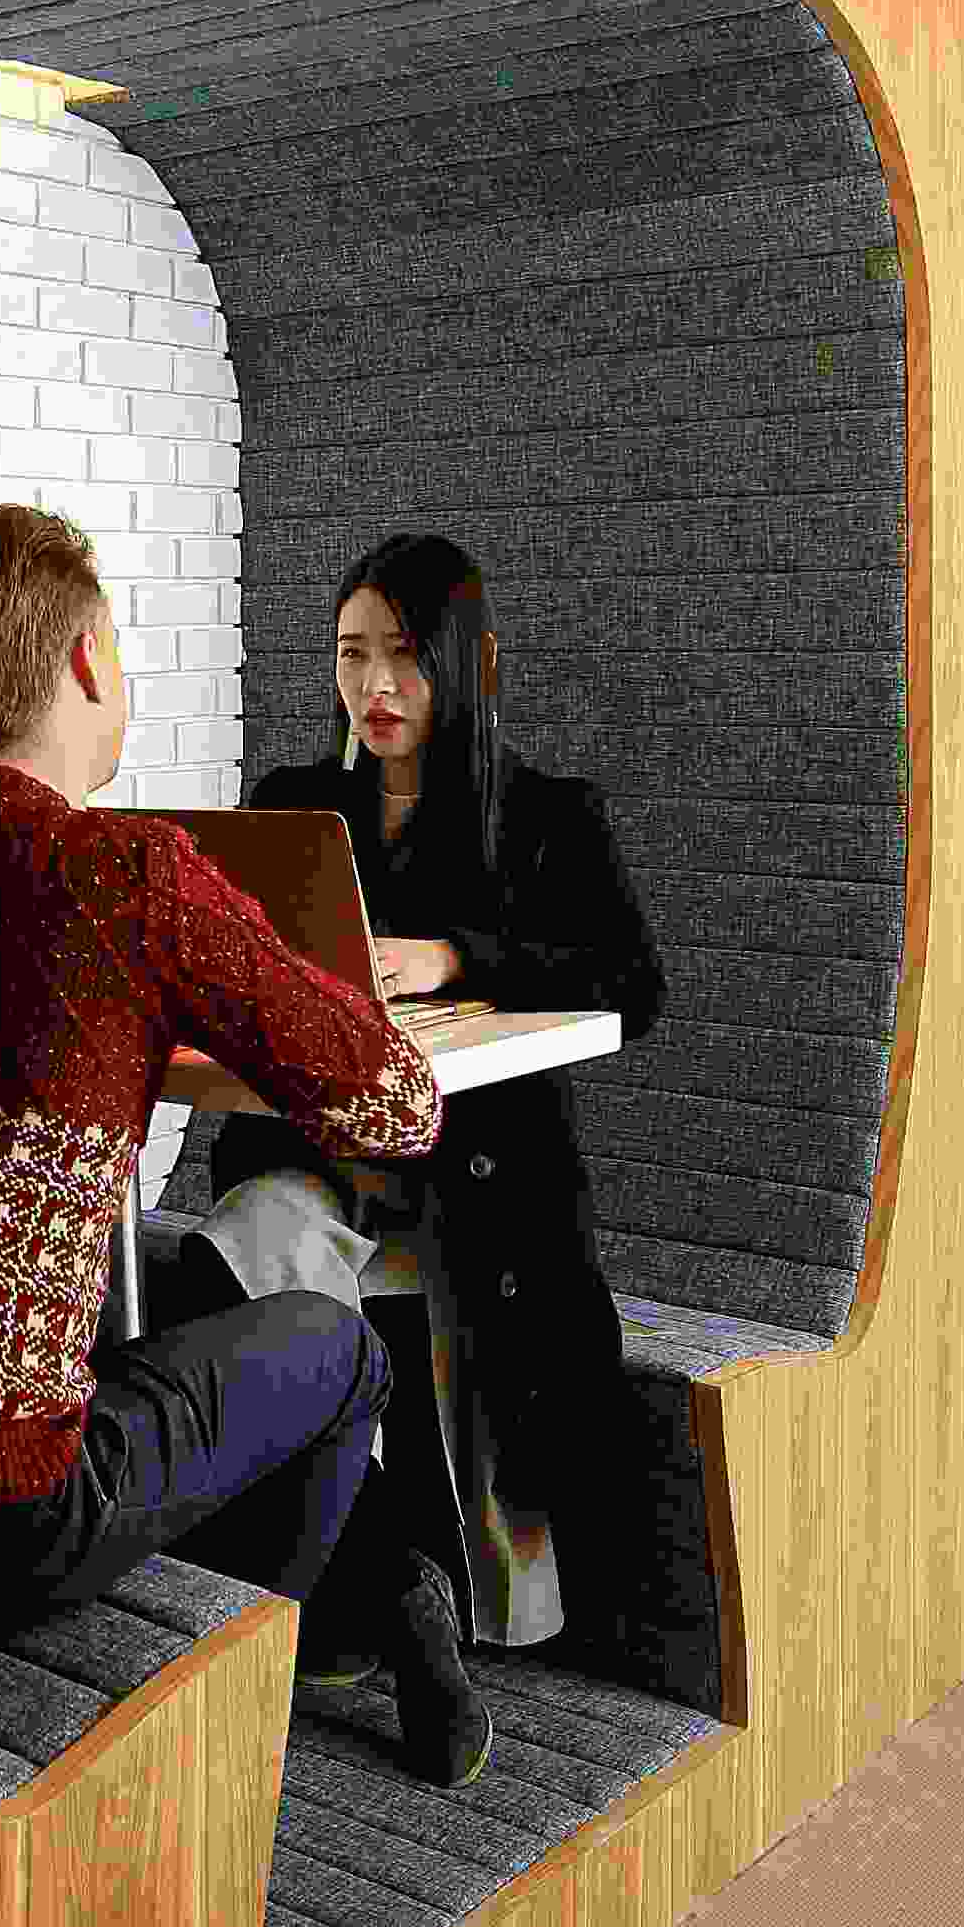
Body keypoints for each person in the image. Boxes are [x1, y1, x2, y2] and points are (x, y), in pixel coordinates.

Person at [0, 502, 493, 1786]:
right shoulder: (126, 876)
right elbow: (397, 1107)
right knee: (338, 1350)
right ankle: (296, 1638)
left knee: (154, 1271)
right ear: (89, 662)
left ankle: (344, 1598)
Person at [197, 532, 666, 1650]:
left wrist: (453, 960)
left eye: (404, 654)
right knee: (253, 1234)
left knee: (489, 1273)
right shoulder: (292, 807)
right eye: (351, 654)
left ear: (464, 662)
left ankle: (409, 1594)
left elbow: (632, 983)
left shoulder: (545, 817)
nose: (376, 685)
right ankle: (359, 1576)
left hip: (478, 1174)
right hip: (324, 1159)